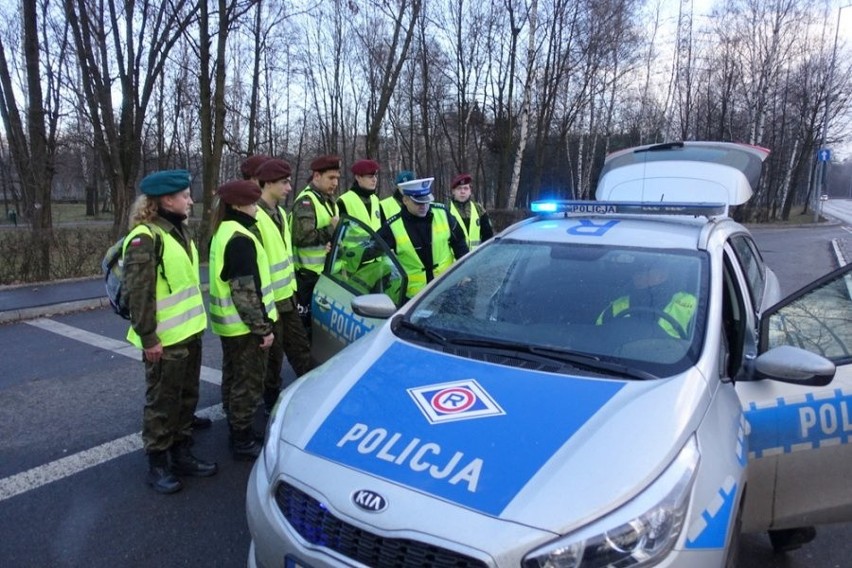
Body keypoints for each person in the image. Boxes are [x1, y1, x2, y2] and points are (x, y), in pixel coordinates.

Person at [123, 169, 215, 494]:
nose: (191, 200)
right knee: (162, 401)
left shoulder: (179, 231)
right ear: (166, 199)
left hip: (188, 333)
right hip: (163, 341)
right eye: (185, 195)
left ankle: (182, 452)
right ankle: (158, 462)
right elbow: (139, 294)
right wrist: (149, 338)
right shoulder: (144, 238)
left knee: (187, 396)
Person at [208, 180, 278, 461]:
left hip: (230, 325)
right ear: (237, 206)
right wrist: (262, 330)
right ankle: (242, 437)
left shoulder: (224, 231)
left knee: (234, 377)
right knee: (247, 383)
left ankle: (235, 425)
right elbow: (245, 292)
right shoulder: (240, 238)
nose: (256, 209)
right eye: (252, 204)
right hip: (244, 327)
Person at [253, 158, 313, 414]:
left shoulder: (282, 214)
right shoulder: (255, 216)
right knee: (273, 359)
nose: (289, 187)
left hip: (287, 297)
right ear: (267, 184)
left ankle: (312, 396)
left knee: (300, 349)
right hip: (269, 303)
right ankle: (270, 404)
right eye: (284, 183)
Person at [377, 177, 469, 301]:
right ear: (405, 200)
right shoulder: (393, 226)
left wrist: (465, 270)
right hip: (413, 298)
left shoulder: (442, 213)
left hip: (445, 290)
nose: (424, 206)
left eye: (426, 201)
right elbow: (373, 249)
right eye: (418, 202)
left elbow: (459, 243)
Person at [291, 155, 341, 332]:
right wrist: (331, 229)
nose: (335, 183)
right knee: (309, 331)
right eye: (331, 178)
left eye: (337, 178)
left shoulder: (327, 199)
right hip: (308, 278)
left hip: (325, 275)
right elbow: (302, 237)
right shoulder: (306, 201)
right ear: (317, 176)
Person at [596, 259, 696, 338]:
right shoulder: (617, 306)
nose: (638, 276)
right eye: (636, 272)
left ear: (663, 275)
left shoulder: (689, 304)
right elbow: (599, 338)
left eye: (646, 271)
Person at [448, 172, 493, 249]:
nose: (462, 192)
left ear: (470, 191)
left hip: (475, 257)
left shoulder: (478, 209)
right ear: (453, 191)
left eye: (466, 188)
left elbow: (488, 235)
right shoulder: (446, 209)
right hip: (454, 259)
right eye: (459, 188)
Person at [337, 159, 382, 230]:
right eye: (370, 177)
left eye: (375, 176)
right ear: (358, 177)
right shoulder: (343, 201)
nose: (374, 180)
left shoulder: (375, 199)